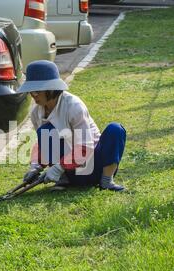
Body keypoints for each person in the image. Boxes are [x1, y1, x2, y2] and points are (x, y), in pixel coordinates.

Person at [18, 60, 126, 192]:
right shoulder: (36, 113)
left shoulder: (74, 106)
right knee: (46, 131)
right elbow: (42, 145)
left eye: (37, 91)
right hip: (69, 173)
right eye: (31, 91)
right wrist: (35, 167)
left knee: (115, 129)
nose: (33, 95)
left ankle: (106, 181)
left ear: (51, 88)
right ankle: (64, 180)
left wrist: (58, 167)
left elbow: (85, 147)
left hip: (94, 167)